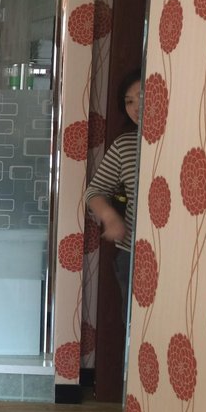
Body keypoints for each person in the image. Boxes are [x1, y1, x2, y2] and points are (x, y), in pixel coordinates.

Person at [84, 69, 142, 323]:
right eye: (129, 101)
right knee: (134, 326)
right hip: (131, 254)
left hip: (176, 251)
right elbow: (94, 191)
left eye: (142, 97)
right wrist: (110, 217)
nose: (136, 107)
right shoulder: (125, 145)